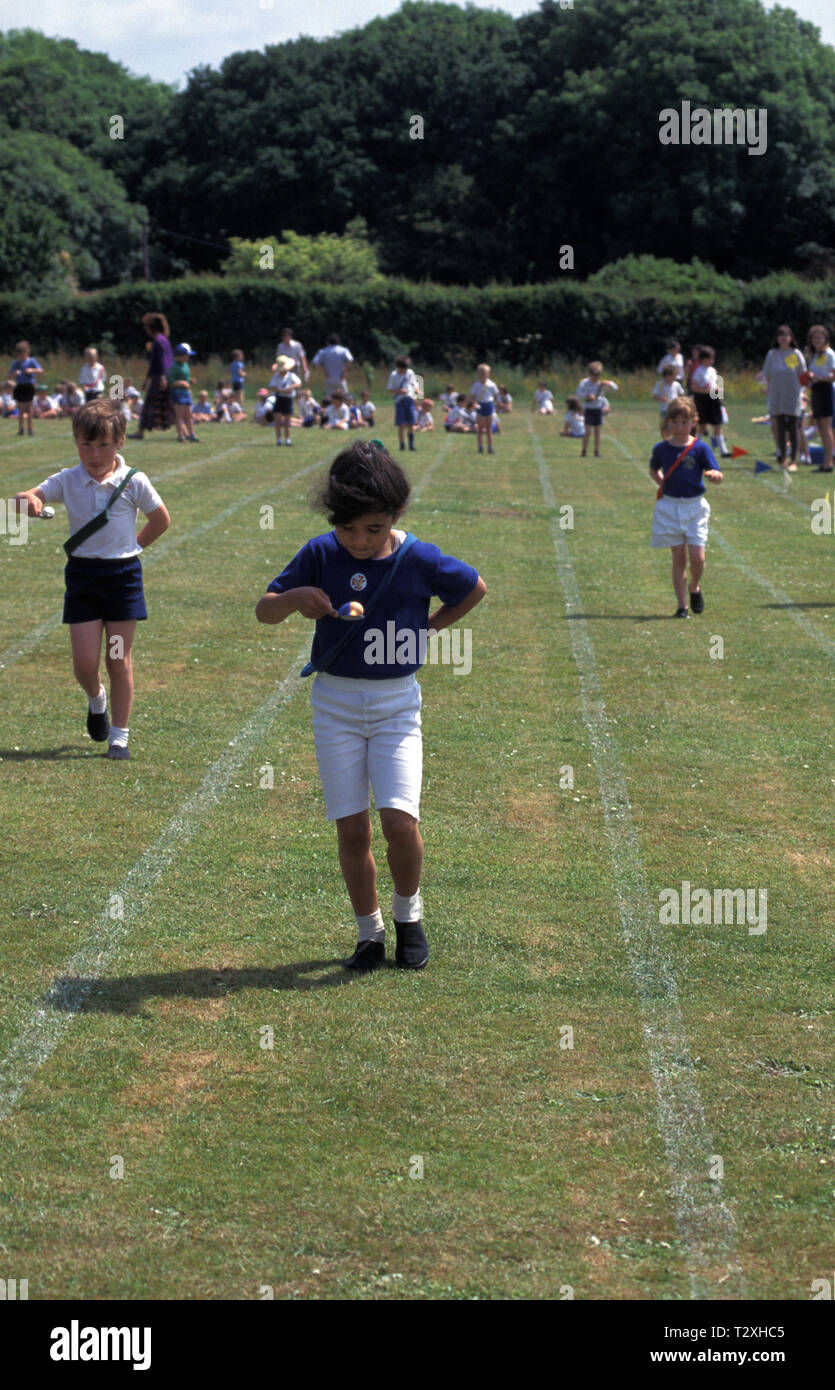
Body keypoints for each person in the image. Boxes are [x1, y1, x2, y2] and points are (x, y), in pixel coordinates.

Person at [254, 438, 486, 972]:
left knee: (400, 821)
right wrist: (293, 600)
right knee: (351, 828)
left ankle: (409, 915)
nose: (359, 540)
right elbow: (264, 610)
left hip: (396, 706)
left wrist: (428, 628)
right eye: (349, 528)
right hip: (333, 704)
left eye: (373, 529)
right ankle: (368, 933)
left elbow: (473, 587)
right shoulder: (318, 552)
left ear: (395, 516)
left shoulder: (419, 557)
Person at [14, 398, 170, 759]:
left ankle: (119, 735)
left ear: (119, 443)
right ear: (75, 441)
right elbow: (22, 499)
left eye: (103, 445)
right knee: (84, 664)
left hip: (122, 579)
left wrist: (135, 547)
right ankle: (95, 698)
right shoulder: (69, 479)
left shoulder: (134, 481)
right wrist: (30, 502)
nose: (94, 453)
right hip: (83, 578)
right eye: (86, 444)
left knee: (118, 660)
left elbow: (160, 520)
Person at [649, 397, 722, 618]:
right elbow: (653, 469)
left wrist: (715, 476)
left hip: (695, 508)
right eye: (675, 421)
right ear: (668, 423)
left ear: (693, 423)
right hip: (670, 507)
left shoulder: (700, 448)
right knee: (679, 559)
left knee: (698, 558)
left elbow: (715, 472)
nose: (679, 427)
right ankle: (682, 606)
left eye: (684, 422)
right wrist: (662, 482)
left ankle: (694, 587)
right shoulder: (662, 448)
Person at [761, 327, 805, 470]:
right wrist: (764, 387)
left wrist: (803, 393)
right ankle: (783, 460)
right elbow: (766, 374)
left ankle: (793, 461)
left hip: (793, 396)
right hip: (777, 396)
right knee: (779, 428)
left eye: (786, 336)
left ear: (791, 338)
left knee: (793, 427)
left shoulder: (795, 354)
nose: (783, 338)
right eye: (780, 335)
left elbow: (802, 375)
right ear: (777, 338)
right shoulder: (772, 354)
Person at [129, 313, 174, 439]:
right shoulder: (163, 339)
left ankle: (140, 432)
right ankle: (185, 431)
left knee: (150, 404)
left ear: (151, 327)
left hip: (160, 378)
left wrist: (163, 377)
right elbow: (155, 363)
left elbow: (163, 361)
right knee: (169, 406)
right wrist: (146, 379)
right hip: (164, 377)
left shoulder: (158, 341)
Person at [690, 346, 732, 458]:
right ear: (702, 359)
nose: (711, 361)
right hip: (703, 400)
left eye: (712, 359)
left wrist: (719, 393)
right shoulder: (698, 371)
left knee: (718, 425)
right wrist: (707, 390)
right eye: (708, 359)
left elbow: (716, 384)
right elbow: (694, 388)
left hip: (714, 400)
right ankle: (694, 449)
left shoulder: (713, 370)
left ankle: (724, 450)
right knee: (702, 425)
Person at [805, 324, 835, 472]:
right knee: (821, 429)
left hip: (826, 390)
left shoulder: (830, 354)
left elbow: (833, 375)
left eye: (820, 337)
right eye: (814, 338)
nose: (817, 340)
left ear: (825, 339)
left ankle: (829, 463)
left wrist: (820, 378)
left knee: (827, 428)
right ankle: (826, 462)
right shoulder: (816, 355)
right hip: (816, 390)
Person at [577, 361, 618, 457]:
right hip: (588, 409)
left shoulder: (601, 384)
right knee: (587, 431)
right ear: (590, 374)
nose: (596, 378)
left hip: (597, 409)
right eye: (594, 375)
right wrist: (587, 396)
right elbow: (578, 393)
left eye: (598, 375)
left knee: (597, 431)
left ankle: (597, 451)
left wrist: (609, 383)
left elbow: (616, 388)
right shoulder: (584, 382)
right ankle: (584, 451)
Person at [9, 339, 43, 436]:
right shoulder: (15, 363)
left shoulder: (31, 361)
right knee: (20, 409)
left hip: (29, 386)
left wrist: (31, 370)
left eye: (23, 353)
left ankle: (30, 429)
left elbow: (40, 370)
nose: (21, 356)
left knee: (29, 408)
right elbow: (9, 375)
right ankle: (21, 429)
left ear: (27, 352)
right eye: (19, 354)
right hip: (20, 386)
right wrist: (13, 373)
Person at [386, 353, 420, 452]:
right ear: (398, 367)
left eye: (405, 369)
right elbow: (389, 389)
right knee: (401, 424)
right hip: (399, 401)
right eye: (402, 369)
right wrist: (400, 391)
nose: (403, 371)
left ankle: (411, 445)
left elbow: (414, 383)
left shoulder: (410, 372)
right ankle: (402, 445)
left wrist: (417, 390)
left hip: (409, 399)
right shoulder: (393, 375)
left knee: (411, 423)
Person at [169, 342, 199, 442]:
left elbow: (185, 377)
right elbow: (171, 381)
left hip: (186, 393)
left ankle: (192, 435)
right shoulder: (174, 367)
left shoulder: (185, 365)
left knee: (189, 415)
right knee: (180, 416)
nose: (188, 357)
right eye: (187, 355)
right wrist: (181, 383)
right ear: (180, 355)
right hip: (178, 394)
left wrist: (190, 380)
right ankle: (181, 435)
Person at [269, 354, 301, 445]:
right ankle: (278, 439)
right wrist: (281, 390)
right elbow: (273, 386)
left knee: (287, 421)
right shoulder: (276, 376)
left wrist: (289, 389)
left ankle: (287, 439)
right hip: (279, 398)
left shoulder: (291, 376)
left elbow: (298, 383)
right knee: (278, 420)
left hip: (288, 399)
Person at [469, 363, 500, 455]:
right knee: (480, 428)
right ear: (478, 373)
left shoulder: (492, 384)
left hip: (489, 405)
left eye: (485, 373)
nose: (483, 374)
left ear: (488, 374)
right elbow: (472, 397)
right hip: (480, 406)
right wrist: (474, 404)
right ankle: (480, 447)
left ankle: (490, 447)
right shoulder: (475, 385)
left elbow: (496, 396)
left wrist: (494, 403)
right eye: (480, 373)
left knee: (489, 428)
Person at [313, 334, 353, 399]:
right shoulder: (343, 350)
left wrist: (324, 371)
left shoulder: (323, 351)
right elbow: (350, 360)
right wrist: (344, 371)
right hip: (341, 377)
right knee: (345, 397)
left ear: (328, 342)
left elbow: (315, 362)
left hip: (328, 377)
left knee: (330, 398)